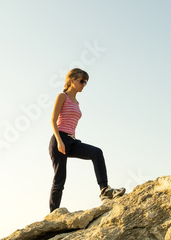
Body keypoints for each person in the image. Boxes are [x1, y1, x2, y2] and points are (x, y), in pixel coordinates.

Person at [48, 68, 125, 213]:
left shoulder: (76, 102)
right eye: (81, 81)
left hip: (72, 140)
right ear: (72, 80)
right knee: (60, 179)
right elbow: (52, 120)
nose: (84, 84)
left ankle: (104, 190)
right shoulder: (62, 96)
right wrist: (59, 140)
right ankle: (53, 213)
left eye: (86, 82)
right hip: (60, 139)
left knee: (96, 152)